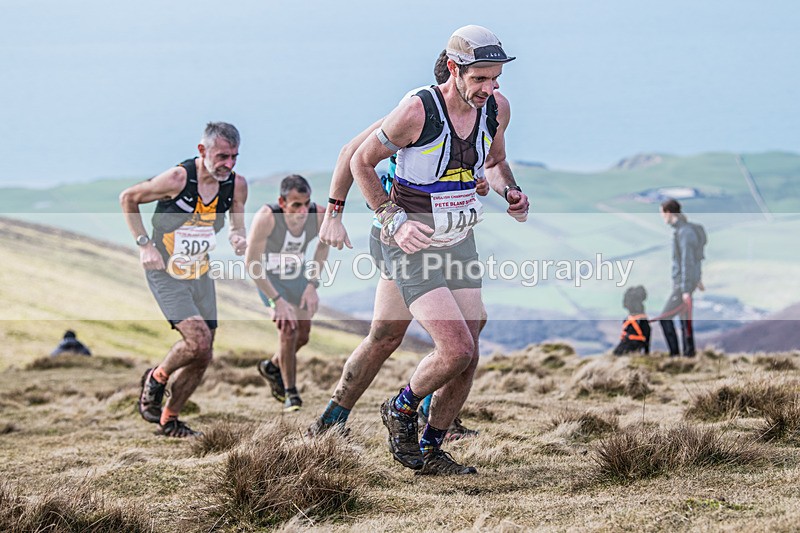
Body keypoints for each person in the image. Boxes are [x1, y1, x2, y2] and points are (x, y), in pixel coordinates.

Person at [350, 25, 529, 475]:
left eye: (495, 80)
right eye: (480, 79)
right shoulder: (417, 111)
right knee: (453, 349)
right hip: (414, 244)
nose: (489, 89)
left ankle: (431, 447)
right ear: (454, 69)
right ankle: (401, 409)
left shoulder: (496, 109)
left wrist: (512, 192)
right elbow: (360, 162)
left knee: (470, 348)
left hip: (459, 238)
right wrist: (392, 217)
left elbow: (496, 162)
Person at [307, 50, 482, 442]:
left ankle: (434, 419)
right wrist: (333, 213)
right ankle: (335, 420)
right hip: (399, 237)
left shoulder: (473, 116)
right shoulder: (412, 111)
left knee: (405, 333)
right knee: (400, 336)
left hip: (443, 238)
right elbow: (351, 154)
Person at [120, 122, 248, 437]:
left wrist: (237, 236)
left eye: (234, 157)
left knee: (205, 352)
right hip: (165, 271)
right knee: (198, 340)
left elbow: (237, 221)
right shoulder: (178, 179)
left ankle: (169, 419)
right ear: (202, 151)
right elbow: (128, 198)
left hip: (199, 271)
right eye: (221, 156)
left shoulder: (236, 185)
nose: (228, 164)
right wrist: (144, 244)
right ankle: (157, 377)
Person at [249, 175, 329, 412]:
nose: (303, 210)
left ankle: (273, 366)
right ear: (282, 202)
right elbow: (252, 264)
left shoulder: (319, 216)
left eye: (306, 203)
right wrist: (276, 300)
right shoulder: (267, 218)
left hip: (298, 278)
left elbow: (323, 247)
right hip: (270, 280)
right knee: (288, 329)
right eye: (296, 205)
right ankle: (290, 393)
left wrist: (312, 284)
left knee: (302, 335)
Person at [655, 198, 703, 357]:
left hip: (682, 285)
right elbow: (695, 259)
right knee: (684, 320)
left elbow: (687, 261)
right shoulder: (684, 230)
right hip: (686, 283)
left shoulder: (684, 233)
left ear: (668, 212)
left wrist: (685, 288)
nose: (662, 217)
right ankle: (689, 355)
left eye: (662, 213)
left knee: (665, 318)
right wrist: (697, 279)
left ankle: (675, 356)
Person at [612, 285, 650, 355]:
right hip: (637, 343)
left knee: (617, 353)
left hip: (630, 345)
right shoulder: (642, 320)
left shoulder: (631, 320)